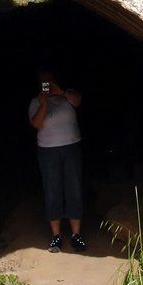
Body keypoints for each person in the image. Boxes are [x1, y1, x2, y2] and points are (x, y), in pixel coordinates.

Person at [28, 68, 86, 253]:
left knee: (74, 189)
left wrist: (60, 92)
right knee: (52, 190)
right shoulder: (35, 102)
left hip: (71, 148)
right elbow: (36, 124)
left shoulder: (67, 96)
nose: (47, 84)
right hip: (48, 151)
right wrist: (43, 103)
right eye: (43, 81)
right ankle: (56, 236)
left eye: (49, 80)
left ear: (55, 80)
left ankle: (76, 235)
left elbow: (79, 101)